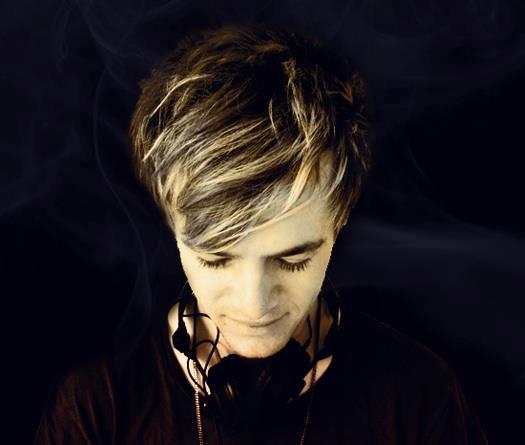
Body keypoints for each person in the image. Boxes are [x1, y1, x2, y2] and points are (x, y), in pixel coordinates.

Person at [34, 26, 488, 444]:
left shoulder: (420, 397)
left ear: (340, 219)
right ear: (172, 226)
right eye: (216, 259)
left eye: (293, 259)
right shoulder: (97, 405)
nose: (255, 306)